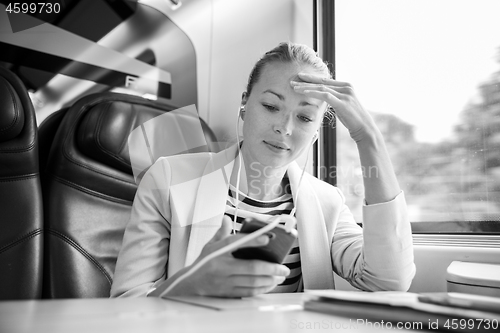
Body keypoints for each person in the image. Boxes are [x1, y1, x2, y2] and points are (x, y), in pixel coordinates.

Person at [110, 42, 416, 298]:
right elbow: (125, 307)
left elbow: (388, 284)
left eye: (305, 118)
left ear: (316, 133)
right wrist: (191, 285)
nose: (284, 128)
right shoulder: (168, 180)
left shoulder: (327, 202)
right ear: (245, 104)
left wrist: (368, 136)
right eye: (271, 106)